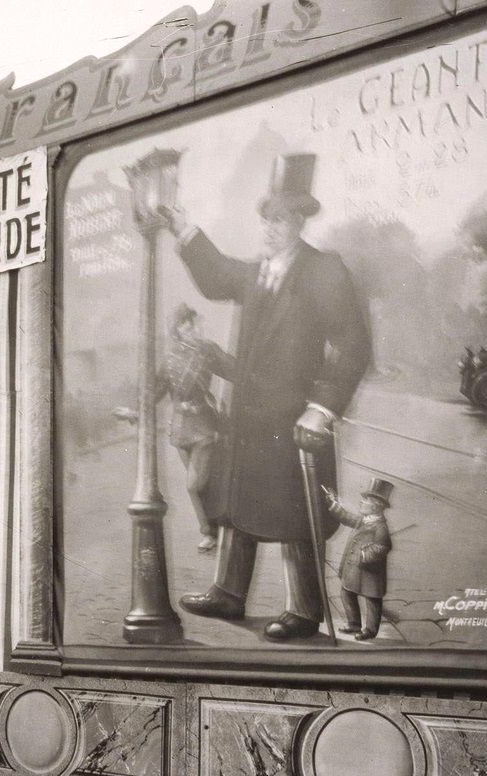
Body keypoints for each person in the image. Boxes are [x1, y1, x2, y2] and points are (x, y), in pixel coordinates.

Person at [159, 153, 372, 641]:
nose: (270, 227)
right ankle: (230, 594)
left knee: (297, 514)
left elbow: (352, 345)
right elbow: (215, 277)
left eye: (281, 218)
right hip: (249, 419)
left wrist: (322, 409)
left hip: (297, 420)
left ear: (299, 221)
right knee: (239, 504)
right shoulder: (257, 272)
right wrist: (184, 229)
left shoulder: (324, 271)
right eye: (267, 217)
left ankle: (304, 608)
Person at [115, 304, 233, 552]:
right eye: (183, 324)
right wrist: (136, 411)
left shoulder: (207, 350)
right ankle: (218, 528)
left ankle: (209, 532)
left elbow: (235, 371)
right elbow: (155, 392)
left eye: (191, 323)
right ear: (176, 330)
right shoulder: (169, 360)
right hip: (181, 430)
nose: (189, 328)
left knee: (194, 485)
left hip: (204, 424)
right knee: (204, 484)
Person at [323, 478, 393, 641]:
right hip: (354, 570)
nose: (361, 502)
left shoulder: (380, 527)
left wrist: (365, 554)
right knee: (346, 593)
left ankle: (370, 630)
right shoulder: (362, 520)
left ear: (376, 506)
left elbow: (383, 547)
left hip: (370, 572)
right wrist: (333, 504)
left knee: (372, 600)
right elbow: (346, 517)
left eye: (366, 500)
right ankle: (354, 623)